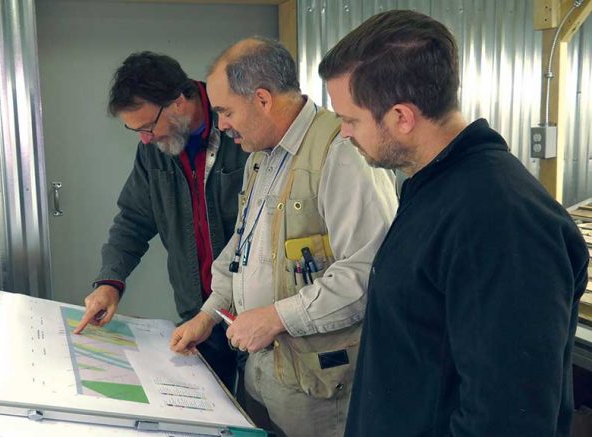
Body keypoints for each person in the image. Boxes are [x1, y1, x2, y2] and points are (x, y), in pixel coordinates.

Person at [318, 10, 589, 436]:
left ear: (402, 117)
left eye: (350, 120)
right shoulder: (430, 185)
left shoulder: (500, 221)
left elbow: (507, 418)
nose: (345, 134)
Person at [170, 37, 397, 437]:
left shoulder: (341, 153)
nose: (221, 124)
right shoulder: (260, 155)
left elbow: (367, 275)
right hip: (265, 374)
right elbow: (241, 250)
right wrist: (209, 314)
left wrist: (275, 317)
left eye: (226, 111)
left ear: (262, 99)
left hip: (319, 392)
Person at [75, 52, 249, 392]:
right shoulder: (155, 150)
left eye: (147, 127)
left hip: (251, 314)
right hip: (197, 313)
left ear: (179, 102)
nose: (144, 138)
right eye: (135, 130)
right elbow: (133, 220)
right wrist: (110, 282)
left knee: (260, 414)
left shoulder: (240, 134)